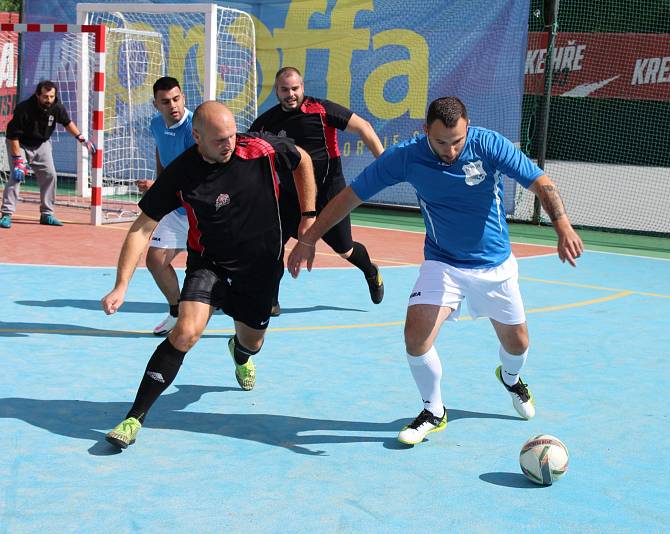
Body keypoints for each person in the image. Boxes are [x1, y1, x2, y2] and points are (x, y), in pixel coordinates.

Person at [287, 96, 584, 446]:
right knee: (415, 334)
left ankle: (511, 378)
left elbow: (541, 183)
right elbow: (350, 197)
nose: (451, 150)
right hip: (443, 263)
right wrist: (309, 238)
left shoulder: (489, 144)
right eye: (441, 141)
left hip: (495, 266)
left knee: (517, 345)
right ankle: (434, 410)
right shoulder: (406, 156)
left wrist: (562, 226)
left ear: (468, 128)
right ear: (426, 131)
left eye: (457, 141)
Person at [101, 101, 316, 450]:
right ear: (197, 137)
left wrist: (308, 215)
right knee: (185, 332)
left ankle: (239, 352)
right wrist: (121, 284)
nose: (229, 144)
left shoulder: (258, 148)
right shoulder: (182, 172)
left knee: (253, 343)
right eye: (219, 140)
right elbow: (141, 229)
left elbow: (302, 159)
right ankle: (133, 417)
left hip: (260, 270)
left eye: (231, 135)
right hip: (209, 265)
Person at [249, 67, 385, 316]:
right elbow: (249, 154)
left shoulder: (322, 109)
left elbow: (364, 127)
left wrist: (385, 163)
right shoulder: (266, 123)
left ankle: (370, 270)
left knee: (345, 249)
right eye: (284, 89)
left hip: (330, 193)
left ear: (302, 87)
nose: (290, 94)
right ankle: (270, 300)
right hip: (291, 197)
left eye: (295, 88)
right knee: (271, 245)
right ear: (276, 91)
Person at [136, 77, 196, 336]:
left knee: (216, 272)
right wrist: (159, 184)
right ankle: (176, 312)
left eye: (176, 99)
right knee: (155, 260)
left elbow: (199, 173)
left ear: (183, 97)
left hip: (201, 209)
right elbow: (162, 153)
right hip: (177, 207)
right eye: (165, 102)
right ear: (155, 105)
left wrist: (164, 187)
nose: (173, 105)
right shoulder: (156, 124)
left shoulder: (195, 127)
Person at [1, 80, 96, 229]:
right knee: (16, 176)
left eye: (51, 96)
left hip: (42, 144)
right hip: (21, 144)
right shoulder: (24, 109)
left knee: (50, 175)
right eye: (45, 96)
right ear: (38, 95)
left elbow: (67, 123)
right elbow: (12, 136)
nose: (49, 100)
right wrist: (18, 160)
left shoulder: (56, 107)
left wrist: (82, 139)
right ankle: (6, 214)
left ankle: (47, 214)